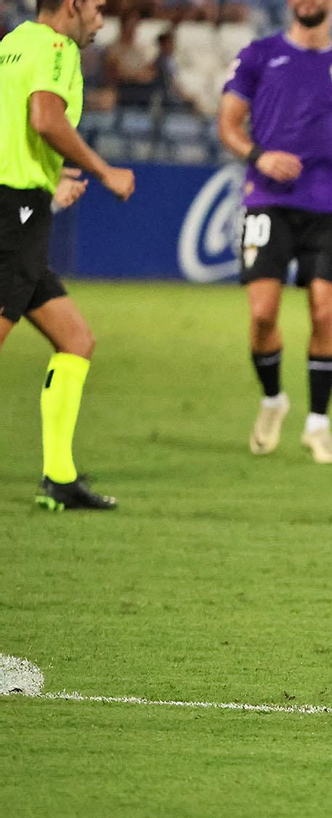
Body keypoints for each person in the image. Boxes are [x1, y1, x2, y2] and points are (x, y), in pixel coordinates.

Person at [217, 0, 332, 464]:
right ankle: (273, 399)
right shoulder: (258, 55)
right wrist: (259, 157)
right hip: (267, 199)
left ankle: (318, 424)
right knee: (262, 315)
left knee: (325, 311)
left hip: (328, 204)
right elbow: (228, 125)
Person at [0, 0, 136, 511]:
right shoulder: (57, 47)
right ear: (73, 5)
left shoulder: (10, 45)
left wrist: (48, 177)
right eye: (98, 8)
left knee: (75, 339)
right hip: (14, 213)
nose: (102, 20)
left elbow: (12, 125)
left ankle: (59, 477)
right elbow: (44, 118)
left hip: (18, 202)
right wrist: (106, 172)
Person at [104, 7, 158, 108]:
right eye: (129, 24)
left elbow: (151, 72)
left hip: (142, 91)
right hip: (122, 91)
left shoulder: (143, 49)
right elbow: (114, 74)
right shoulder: (114, 49)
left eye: (134, 25)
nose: (132, 28)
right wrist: (134, 75)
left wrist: (136, 74)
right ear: (123, 26)